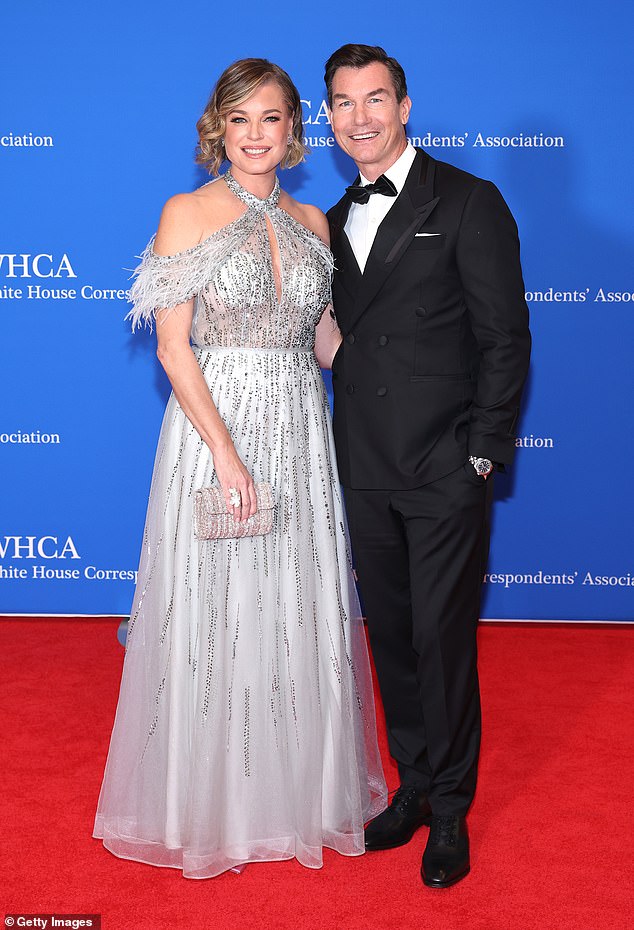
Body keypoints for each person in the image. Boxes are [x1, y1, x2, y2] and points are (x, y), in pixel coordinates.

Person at [93, 58, 386, 879]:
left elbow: (325, 343)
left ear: (296, 129)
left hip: (300, 428)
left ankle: (290, 798)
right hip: (216, 426)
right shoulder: (187, 212)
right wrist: (225, 452)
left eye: (273, 118)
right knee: (218, 611)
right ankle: (209, 807)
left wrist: (404, 372)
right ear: (217, 127)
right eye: (241, 118)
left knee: (294, 605)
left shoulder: (315, 224)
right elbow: (173, 346)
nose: (257, 134)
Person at [324, 44, 531, 888]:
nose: (361, 117)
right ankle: (411, 787)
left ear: (405, 107)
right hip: (365, 463)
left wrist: (480, 451)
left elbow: (505, 339)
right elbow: (340, 340)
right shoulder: (334, 217)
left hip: (445, 465)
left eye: (376, 99)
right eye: (343, 103)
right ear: (328, 118)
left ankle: (450, 810)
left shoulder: (469, 200)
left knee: (442, 644)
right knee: (397, 642)